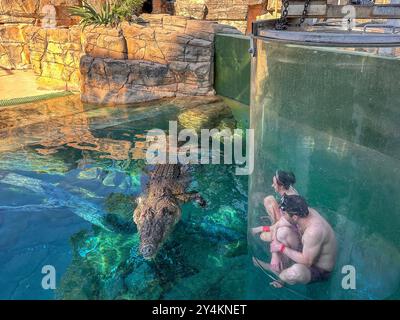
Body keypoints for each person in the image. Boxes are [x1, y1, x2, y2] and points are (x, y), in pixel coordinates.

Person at [254, 195, 337, 287]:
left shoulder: (313, 232)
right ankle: (279, 268)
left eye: (284, 214)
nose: (282, 216)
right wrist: (275, 255)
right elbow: (277, 226)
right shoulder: (301, 212)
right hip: (306, 250)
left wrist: (280, 247)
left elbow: (307, 261)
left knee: (293, 273)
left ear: (294, 217)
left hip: (318, 269)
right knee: (282, 232)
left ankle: (276, 273)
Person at [251, 170, 299, 272]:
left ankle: (278, 269)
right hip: (285, 222)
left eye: (274, 183)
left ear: (281, 186)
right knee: (269, 200)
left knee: (263, 236)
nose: (272, 185)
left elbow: (281, 225)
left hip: (290, 233)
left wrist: (258, 229)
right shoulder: (289, 188)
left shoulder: (290, 203)